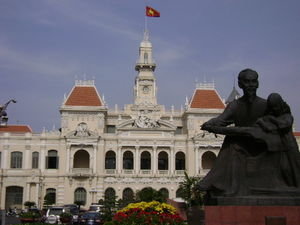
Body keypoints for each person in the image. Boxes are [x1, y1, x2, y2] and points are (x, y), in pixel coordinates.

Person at [198, 68, 268, 197]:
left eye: (253, 81)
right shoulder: (235, 105)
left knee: (233, 141)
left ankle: (216, 181)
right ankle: (227, 186)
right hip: (243, 144)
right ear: (241, 84)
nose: (251, 85)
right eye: (247, 82)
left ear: (258, 83)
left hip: (263, 145)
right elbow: (221, 120)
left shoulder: (265, 105)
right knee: (232, 142)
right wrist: (209, 124)